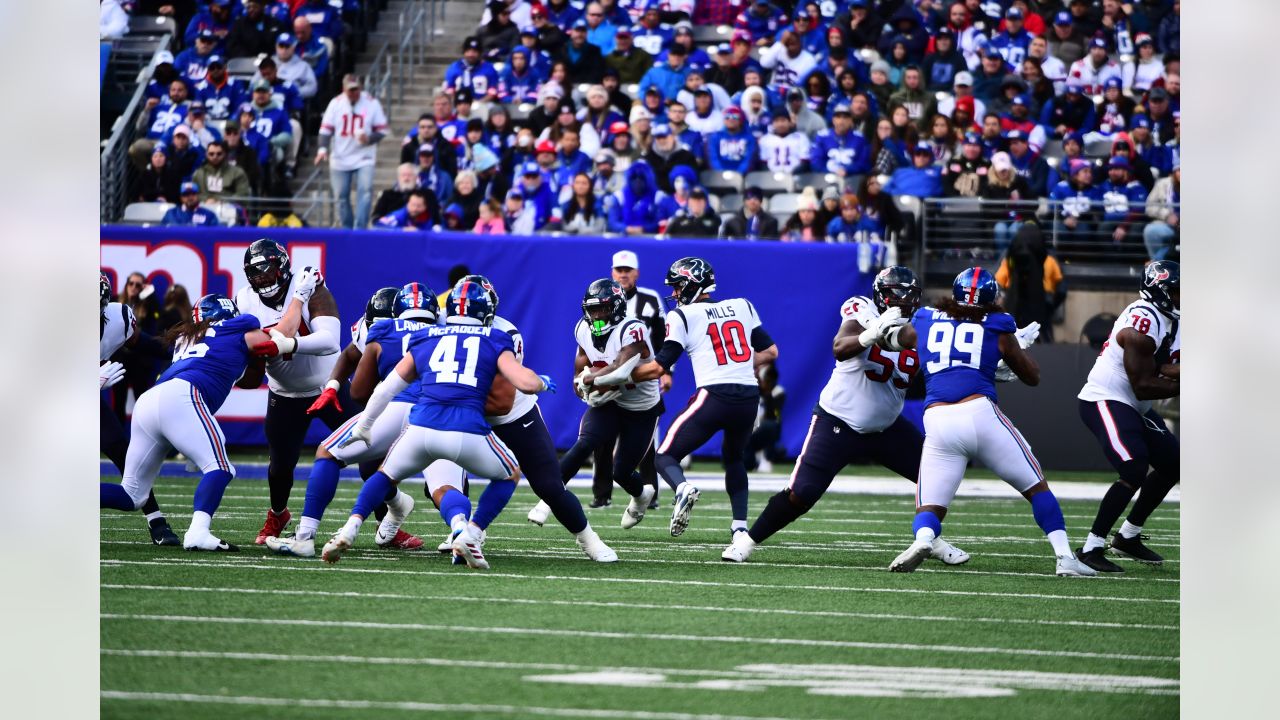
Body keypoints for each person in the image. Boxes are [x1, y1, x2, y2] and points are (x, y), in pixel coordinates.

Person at [320, 279, 617, 566]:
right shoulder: (437, 330)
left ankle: (587, 538)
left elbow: (501, 401)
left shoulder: (501, 334)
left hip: (509, 415)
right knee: (442, 484)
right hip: (458, 416)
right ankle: (464, 532)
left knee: (548, 486)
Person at [723, 268, 970, 565]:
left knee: (935, 477)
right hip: (839, 421)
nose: (905, 300)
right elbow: (840, 348)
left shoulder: (922, 326)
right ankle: (747, 541)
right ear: (882, 294)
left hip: (886, 427)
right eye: (898, 292)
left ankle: (930, 539)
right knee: (801, 494)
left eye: (910, 293)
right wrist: (872, 334)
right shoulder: (862, 309)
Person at [884, 267, 1096, 577]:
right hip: (979, 413)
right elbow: (1031, 376)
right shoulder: (997, 323)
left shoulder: (926, 318)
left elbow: (896, 340)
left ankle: (925, 539)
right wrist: (1015, 347)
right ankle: (1065, 557)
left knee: (929, 504)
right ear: (991, 297)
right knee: (1036, 487)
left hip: (938, 420)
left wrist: (877, 330)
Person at [582, 257, 779, 538]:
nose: (674, 294)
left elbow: (658, 367)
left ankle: (682, 489)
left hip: (715, 395)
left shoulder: (682, 315)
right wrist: (736, 365)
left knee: (664, 456)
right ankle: (739, 528)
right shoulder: (742, 305)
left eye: (677, 287)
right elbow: (771, 352)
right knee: (734, 459)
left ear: (690, 285)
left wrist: (609, 378)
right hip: (748, 398)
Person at [100, 289, 306, 552]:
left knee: (132, 494)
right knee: (220, 468)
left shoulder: (187, 338)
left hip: (151, 400)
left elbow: (244, 376)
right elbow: (278, 338)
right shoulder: (238, 328)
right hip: (183, 397)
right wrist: (298, 300)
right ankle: (198, 532)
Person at [266, 284, 442, 558]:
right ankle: (465, 532)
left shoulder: (382, 330)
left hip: (393, 406)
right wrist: (333, 385)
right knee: (433, 483)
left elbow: (359, 391)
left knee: (330, 452)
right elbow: (349, 355)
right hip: (440, 414)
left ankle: (305, 537)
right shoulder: (443, 329)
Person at [233, 241, 345, 544]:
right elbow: (249, 360)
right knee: (280, 465)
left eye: (267, 272)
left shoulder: (307, 283)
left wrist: (289, 344)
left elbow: (330, 341)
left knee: (369, 450)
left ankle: (389, 517)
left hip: (329, 386)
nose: (263, 280)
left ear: (282, 266)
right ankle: (278, 513)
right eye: (255, 276)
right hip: (284, 392)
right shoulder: (244, 301)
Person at [528, 279, 664, 529]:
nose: (598, 315)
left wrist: (591, 379)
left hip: (641, 408)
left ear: (617, 307)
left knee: (621, 472)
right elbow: (577, 374)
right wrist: (583, 390)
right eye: (593, 310)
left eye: (603, 309)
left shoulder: (632, 329)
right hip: (610, 403)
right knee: (584, 444)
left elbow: (621, 371)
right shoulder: (582, 329)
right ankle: (547, 500)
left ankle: (642, 495)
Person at [1075, 261, 1180, 572]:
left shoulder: (1172, 320)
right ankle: (1092, 547)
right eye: (1176, 291)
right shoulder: (1141, 323)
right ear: (1160, 291)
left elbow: (1164, 366)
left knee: (1174, 464)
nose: (1181, 297)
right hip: (1106, 398)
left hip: (1135, 403)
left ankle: (1128, 537)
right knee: (1133, 467)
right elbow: (1145, 384)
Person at [99, 274, 179, 546]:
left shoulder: (119, 318)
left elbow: (142, 343)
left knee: (122, 449)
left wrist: (182, 350)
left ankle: (156, 520)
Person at [316, 75, 388, 229]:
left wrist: (368, 139)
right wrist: (322, 149)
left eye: (356, 90)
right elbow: (325, 129)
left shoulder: (371, 103)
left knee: (366, 191)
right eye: (350, 90)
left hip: (364, 156)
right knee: (341, 196)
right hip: (340, 156)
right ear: (344, 89)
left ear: (360, 89)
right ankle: (347, 228)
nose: (353, 93)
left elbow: (382, 130)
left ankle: (360, 228)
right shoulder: (335, 104)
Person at [1143, 160, 1179, 261]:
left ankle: (1156, 262)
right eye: (1179, 170)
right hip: (1168, 225)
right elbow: (1149, 207)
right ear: (1174, 172)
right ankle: (1158, 264)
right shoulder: (1162, 184)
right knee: (1150, 231)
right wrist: (1166, 215)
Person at [271, 32, 318, 100]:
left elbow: (312, 87)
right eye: (281, 46)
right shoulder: (269, 63)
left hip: (292, 102)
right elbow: (254, 83)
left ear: (293, 48)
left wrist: (295, 92)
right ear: (276, 47)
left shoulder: (303, 66)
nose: (284, 50)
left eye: (287, 46)